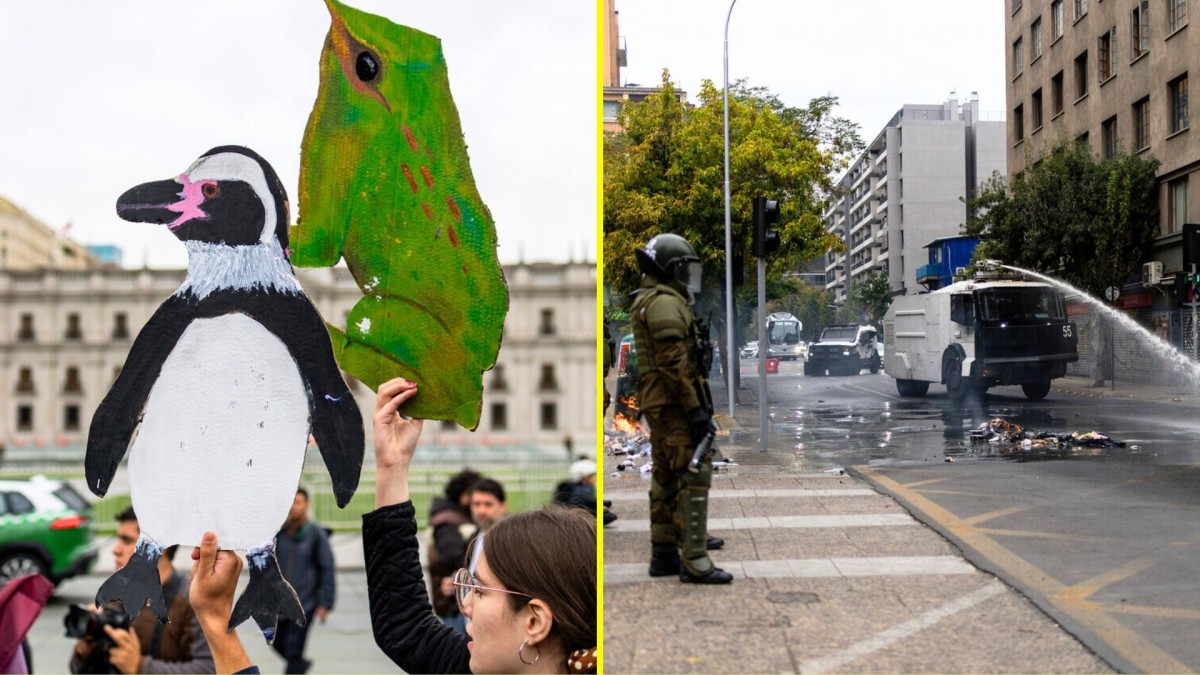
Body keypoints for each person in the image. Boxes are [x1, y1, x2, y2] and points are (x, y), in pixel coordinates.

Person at [367, 377, 597, 673]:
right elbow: (406, 627)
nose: (465, 606)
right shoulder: (491, 662)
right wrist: (392, 466)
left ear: (534, 621)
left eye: (479, 590)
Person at [630, 233, 732, 584]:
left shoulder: (653, 299)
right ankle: (695, 560)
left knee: (666, 474)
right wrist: (694, 411)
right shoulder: (664, 303)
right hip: (673, 402)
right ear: (669, 269)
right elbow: (674, 363)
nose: (689, 277)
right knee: (694, 471)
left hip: (660, 401)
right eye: (684, 269)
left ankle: (664, 554)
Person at [71, 507, 215, 674]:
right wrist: (83, 652)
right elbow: (78, 669)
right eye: (118, 540)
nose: (115, 549)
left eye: (126, 540)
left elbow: (211, 669)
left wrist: (140, 667)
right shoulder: (113, 596)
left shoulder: (192, 600)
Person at [272, 488, 336, 674]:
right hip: (280, 603)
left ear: (306, 505)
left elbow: (326, 568)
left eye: (297, 502)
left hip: (305, 603)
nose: (293, 507)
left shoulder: (316, 534)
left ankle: (297, 665)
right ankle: (301, 665)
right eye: (291, 503)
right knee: (276, 642)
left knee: (293, 648)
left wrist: (325, 603)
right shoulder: (279, 534)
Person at [428, 468, 482, 633]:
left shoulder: (451, 517)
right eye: (477, 500)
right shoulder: (448, 523)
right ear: (465, 496)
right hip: (453, 603)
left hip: (457, 599)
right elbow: (453, 556)